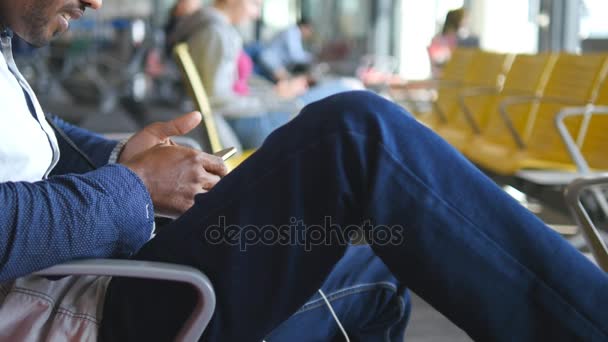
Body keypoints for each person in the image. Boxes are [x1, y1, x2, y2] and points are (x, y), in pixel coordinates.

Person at [0, 1, 607, 342]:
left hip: (93, 275)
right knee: (353, 132)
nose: (96, 3)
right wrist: (136, 185)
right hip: (84, 311)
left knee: (375, 272)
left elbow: (43, 139)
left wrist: (118, 159)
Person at [167, 0, 362, 149]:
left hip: (243, 118)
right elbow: (217, 99)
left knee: (340, 95)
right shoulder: (216, 33)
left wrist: (275, 93)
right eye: (255, 3)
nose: (256, 13)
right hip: (245, 123)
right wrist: (274, 98)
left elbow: (231, 88)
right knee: (348, 90)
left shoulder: (211, 28)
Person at [258, 18, 315, 83]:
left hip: (274, 61)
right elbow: (295, 55)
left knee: (291, 80)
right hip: (270, 60)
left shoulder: (294, 33)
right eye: (310, 31)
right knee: (288, 81)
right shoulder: (292, 32)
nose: (309, 34)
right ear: (304, 27)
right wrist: (312, 58)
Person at [428, 7, 479, 78]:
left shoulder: (464, 40)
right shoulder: (439, 40)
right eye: (464, 19)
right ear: (457, 20)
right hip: (446, 78)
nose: (467, 22)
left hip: (459, 77)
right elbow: (439, 62)